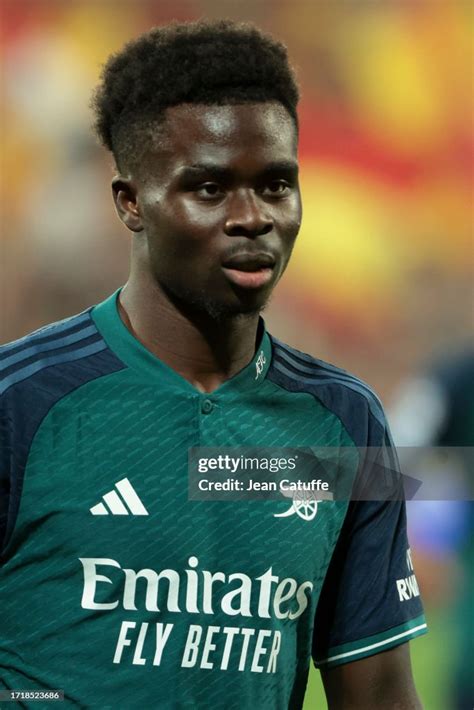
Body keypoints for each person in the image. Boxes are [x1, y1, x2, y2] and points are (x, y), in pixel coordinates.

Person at [0, 20, 427, 709]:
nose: (252, 217)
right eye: (209, 188)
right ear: (131, 202)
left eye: (276, 185)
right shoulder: (21, 405)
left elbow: (377, 689)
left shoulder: (347, 422)